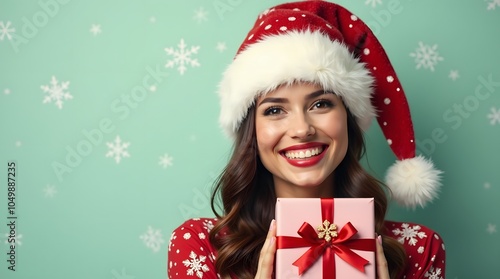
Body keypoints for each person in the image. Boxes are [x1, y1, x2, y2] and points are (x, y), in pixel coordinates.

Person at [168, 1, 445, 278]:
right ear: (251, 131)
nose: (302, 129)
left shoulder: (418, 248)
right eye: (275, 110)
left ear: (347, 119)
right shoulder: (202, 247)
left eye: (321, 104)